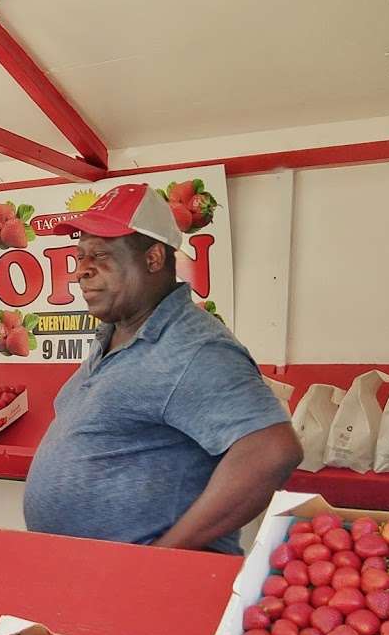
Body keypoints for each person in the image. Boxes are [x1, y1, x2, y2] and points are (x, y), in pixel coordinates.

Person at [23, 183, 302, 554]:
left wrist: (163, 556)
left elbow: (272, 451)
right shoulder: (114, 333)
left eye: (101, 255)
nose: (82, 272)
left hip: (145, 586)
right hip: (85, 572)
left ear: (154, 259)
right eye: (80, 257)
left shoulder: (193, 346)